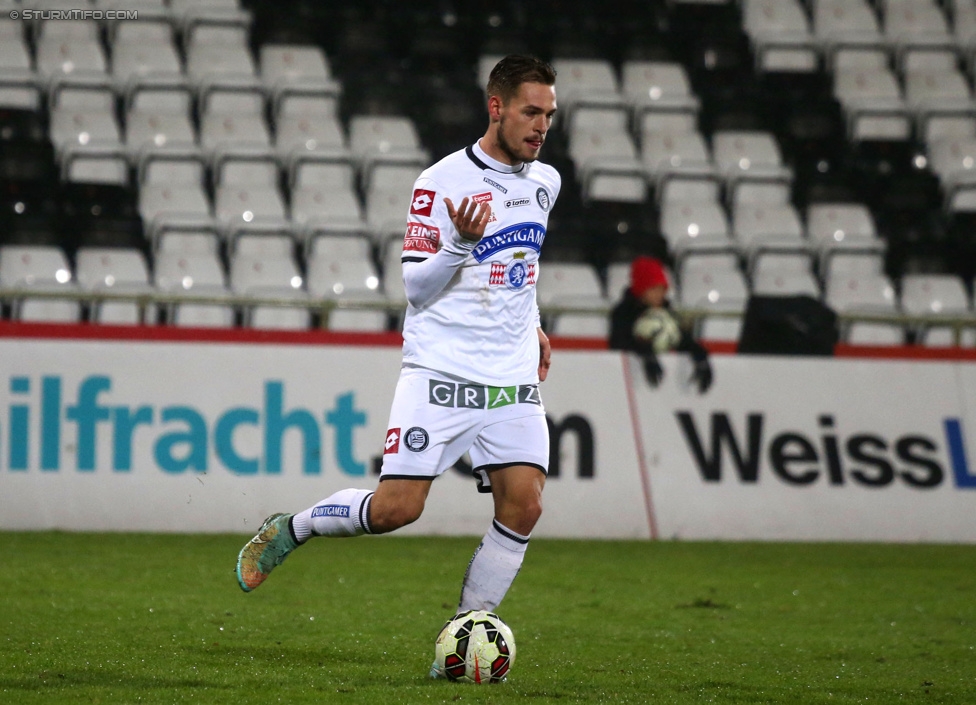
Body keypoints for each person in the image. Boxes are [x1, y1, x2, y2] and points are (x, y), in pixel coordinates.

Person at [235, 55, 561, 666]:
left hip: (511, 376)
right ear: (496, 107)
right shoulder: (439, 183)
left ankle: (469, 632)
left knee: (525, 503)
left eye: (549, 114)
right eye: (530, 111)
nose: (541, 126)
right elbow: (416, 288)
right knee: (395, 511)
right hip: (440, 372)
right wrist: (460, 244)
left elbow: (523, 267)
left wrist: (536, 324)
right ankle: (293, 528)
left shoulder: (546, 183)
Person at [609, 255, 713, 393]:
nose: (659, 294)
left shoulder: (667, 312)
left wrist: (701, 357)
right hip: (627, 385)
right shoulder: (623, 313)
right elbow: (619, 343)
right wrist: (646, 353)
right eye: (653, 289)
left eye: (662, 289)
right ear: (641, 289)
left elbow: (682, 339)